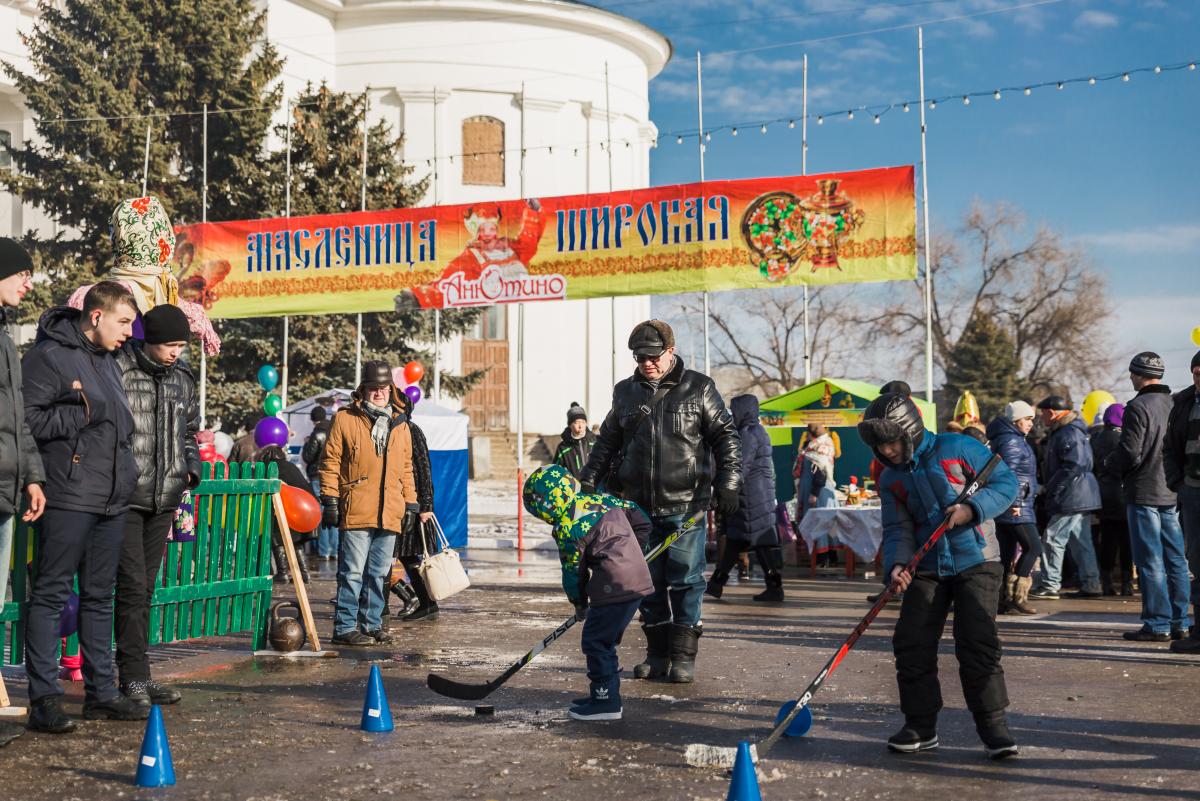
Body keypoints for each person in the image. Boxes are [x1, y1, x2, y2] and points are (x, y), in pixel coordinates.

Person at [578, 319, 741, 684]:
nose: (646, 363)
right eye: (639, 357)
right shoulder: (625, 392)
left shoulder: (699, 388)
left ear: (670, 351)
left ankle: (683, 655)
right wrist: (590, 477)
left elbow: (726, 438)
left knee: (685, 579)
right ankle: (657, 653)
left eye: (653, 356)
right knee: (646, 582)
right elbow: (607, 441)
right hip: (637, 509)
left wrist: (729, 483)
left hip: (686, 505)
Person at [857, 392, 1019, 759]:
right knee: (911, 642)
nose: (887, 452)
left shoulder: (957, 447)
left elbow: (1006, 484)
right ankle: (920, 725)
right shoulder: (889, 478)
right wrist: (896, 566)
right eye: (879, 446)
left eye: (891, 441)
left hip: (977, 559)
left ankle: (994, 727)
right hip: (926, 565)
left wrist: (971, 509)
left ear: (910, 430)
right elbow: (897, 527)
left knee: (976, 643)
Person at [22, 281, 147, 732]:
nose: (129, 333)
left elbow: (118, 425)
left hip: (112, 497)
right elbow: (27, 420)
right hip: (69, 495)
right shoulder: (48, 356)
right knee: (51, 594)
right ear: (96, 316)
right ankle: (44, 700)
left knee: (99, 597)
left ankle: (102, 695)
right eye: (124, 322)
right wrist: (83, 412)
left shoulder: (109, 361)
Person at [113, 303, 199, 708]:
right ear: (149, 341)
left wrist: (189, 471)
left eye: (181, 345)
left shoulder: (183, 377)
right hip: (126, 498)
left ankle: (141, 675)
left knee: (146, 589)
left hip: (163, 498)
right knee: (131, 588)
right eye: (169, 345)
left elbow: (189, 432)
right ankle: (129, 678)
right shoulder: (120, 368)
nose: (175, 352)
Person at [523, 464, 653, 721]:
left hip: (613, 586)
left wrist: (579, 602)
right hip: (636, 580)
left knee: (595, 642)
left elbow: (574, 573)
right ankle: (603, 694)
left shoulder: (567, 527)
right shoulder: (602, 499)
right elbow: (641, 519)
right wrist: (633, 551)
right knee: (606, 640)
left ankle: (605, 702)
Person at [319, 360, 417, 647]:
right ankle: (345, 627)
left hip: (390, 510)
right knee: (351, 573)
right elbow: (330, 462)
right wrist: (330, 499)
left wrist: (410, 503)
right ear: (363, 389)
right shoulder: (345, 419)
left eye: (383, 388)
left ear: (391, 389)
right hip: (357, 507)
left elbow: (406, 468)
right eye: (373, 388)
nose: (378, 393)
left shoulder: (401, 425)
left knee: (379, 574)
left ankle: (372, 624)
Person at [1106, 352, 1190, 642]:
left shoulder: (1138, 406)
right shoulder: (1175, 404)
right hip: (1171, 490)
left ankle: (1157, 624)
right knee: (1176, 560)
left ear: (1137, 374)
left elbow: (1130, 451)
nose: (1130, 378)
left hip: (1143, 491)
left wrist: (1109, 464)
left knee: (1150, 560)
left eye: (1132, 373)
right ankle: (1181, 622)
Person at [0, 239, 46, 612]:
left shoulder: (5, 339)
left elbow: (18, 417)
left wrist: (32, 476)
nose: (28, 284)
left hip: (6, 490)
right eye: (22, 274)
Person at [706, 394, 785, 603]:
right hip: (756, 494)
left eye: (735, 410)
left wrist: (725, 489)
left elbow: (741, 466)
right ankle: (717, 583)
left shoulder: (749, 433)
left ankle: (719, 583)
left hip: (751, 497)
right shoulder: (755, 431)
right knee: (742, 539)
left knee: (749, 540)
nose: (733, 414)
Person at [1028, 396, 1103, 600]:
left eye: (1042, 414)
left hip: (1071, 495)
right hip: (1080, 494)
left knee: (1052, 538)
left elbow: (1073, 464)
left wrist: (1053, 487)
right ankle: (1091, 582)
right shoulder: (1071, 430)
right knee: (1081, 542)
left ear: (1052, 412)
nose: (1040, 418)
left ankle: (1049, 584)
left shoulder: (1067, 432)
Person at [985, 401, 1042, 615]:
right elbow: (1009, 475)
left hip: (1011, 504)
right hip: (1017, 506)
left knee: (1007, 551)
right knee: (1033, 547)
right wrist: (1016, 502)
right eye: (1027, 419)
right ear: (1016, 420)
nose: (1030, 424)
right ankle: (1017, 596)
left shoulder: (1008, 438)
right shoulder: (1013, 441)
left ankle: (1001, 598)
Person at [390, 389, 437, 622]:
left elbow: (423, 468)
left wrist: (425, 504)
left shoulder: (411, 430)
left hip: (414, 506)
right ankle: (425, 601)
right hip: (400, 503)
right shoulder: (395, 429)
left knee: (411, 558)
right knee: (403, 557)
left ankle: (427, 602)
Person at [1165, 350, 1200, 654]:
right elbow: (1169, 447)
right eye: (1196, 373)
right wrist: (1178, 482)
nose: (1199, 379)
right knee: (1197, 562)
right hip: (1191, 491)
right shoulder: (1184, 403)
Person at [1090, 403, 1134, 596]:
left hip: (1103, 494)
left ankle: (1106, 582)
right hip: (1123, 494)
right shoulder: (1124, 438)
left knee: (1107, 541)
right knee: (1126, 541)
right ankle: (1126, 583)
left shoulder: (1096, 438)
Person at [302, 406, 338, 561]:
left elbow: (308, 457)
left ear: (313, 419)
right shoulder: (335, 429)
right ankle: (335, 550)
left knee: (322, 513)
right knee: (334, 511)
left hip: (318, 476)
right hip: (334, 475)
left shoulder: (316, 434)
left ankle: (324, 551)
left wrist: (305, 444)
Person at [553, 402, 597, 481]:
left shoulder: (595, 441)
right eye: (576, 422)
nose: (580, 426)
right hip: (573, 490)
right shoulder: (563, 448)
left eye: (583, 422)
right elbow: (555, 471)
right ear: (570, 425)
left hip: (595, 487)